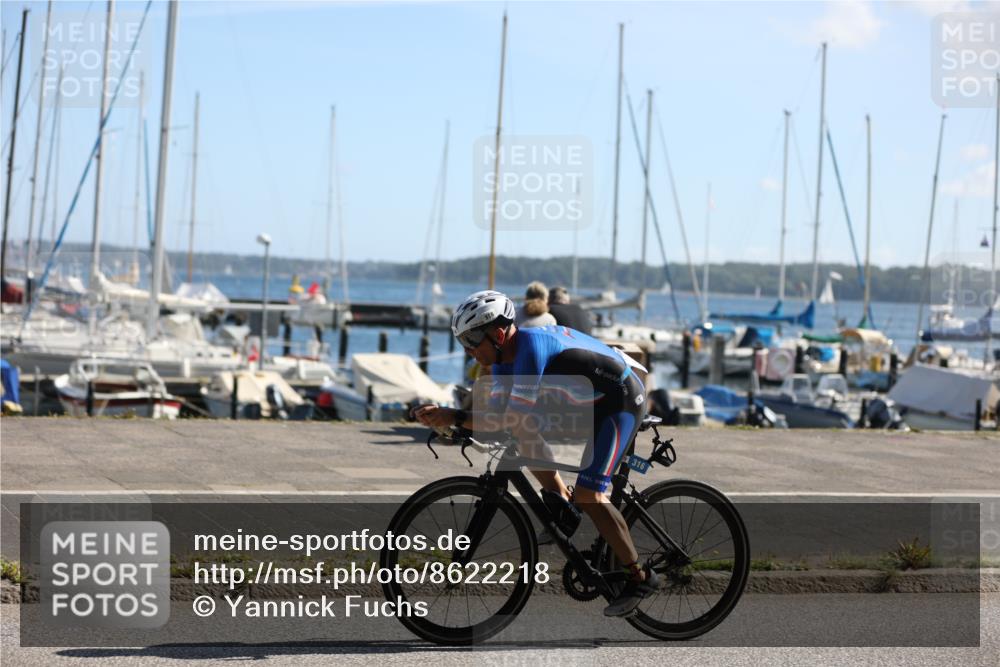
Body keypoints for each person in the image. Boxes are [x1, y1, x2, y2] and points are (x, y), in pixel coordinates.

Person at [414, 290, 658, 617]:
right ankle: (561, 502)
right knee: (522, 430)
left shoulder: (529, 349)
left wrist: (456, 416)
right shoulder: (501, 360)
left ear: (498, 334)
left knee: (590, 495)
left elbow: (506, 418)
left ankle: (639, 576)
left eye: (472, 340)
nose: (468, 350)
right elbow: (501, 415)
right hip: (587, 400)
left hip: (621, 401)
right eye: (462, 342)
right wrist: (456, 422)